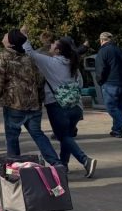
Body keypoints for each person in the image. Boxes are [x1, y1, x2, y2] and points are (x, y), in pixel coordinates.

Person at [25, 35, 97, 177]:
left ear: (57, 50)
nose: (51, 45)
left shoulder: (51, 63)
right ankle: (63, 165)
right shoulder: (72, 64)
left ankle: (85, 160)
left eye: (53, 45)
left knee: (62, 136)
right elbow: (80, 83)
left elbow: (30, 52)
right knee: (67, 137)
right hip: (76, 106)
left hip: (58, 105)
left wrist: (24, 35)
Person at [0, 30, 60, 165]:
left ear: (10, 41)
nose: (4, 36)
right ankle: (56, 163)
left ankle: (14, 168)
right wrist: (39, 100)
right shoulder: (28, 58)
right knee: (38, 134)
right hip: (33, 104)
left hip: (14, 103)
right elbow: (40, 80)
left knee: (12, 137)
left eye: (6, 35)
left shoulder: (2, 57)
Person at [96, 32, 122, 139]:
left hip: (111, 83)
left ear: (102, 40)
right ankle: (117, 130)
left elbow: (101, 69)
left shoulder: (103, 51)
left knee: (111, 108)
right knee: (119, 108)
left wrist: (100, 81)